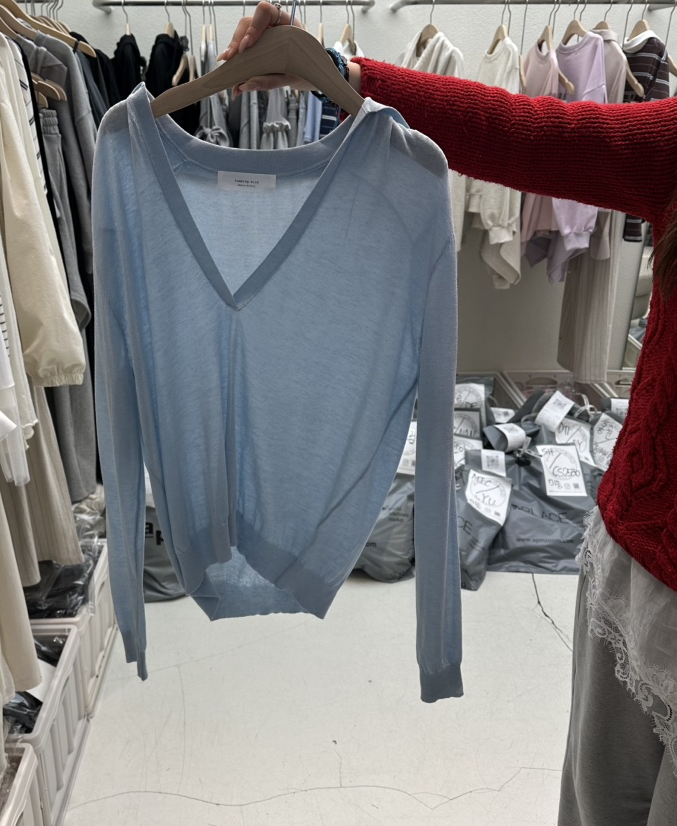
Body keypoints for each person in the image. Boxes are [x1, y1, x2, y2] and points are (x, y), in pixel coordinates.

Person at [219, 5, 677, 824]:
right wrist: (345, 75)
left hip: (645, 550)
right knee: (597, 801)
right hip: (638, 553)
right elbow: (533, 133)